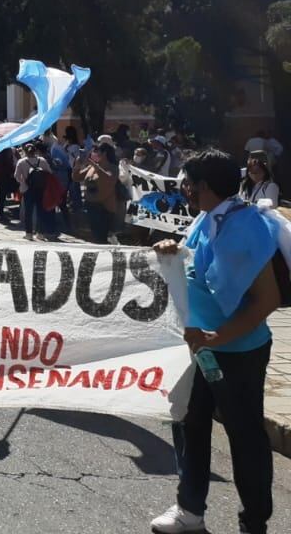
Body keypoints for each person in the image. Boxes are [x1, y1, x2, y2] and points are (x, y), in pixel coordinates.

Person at [150, 149, 281, 534]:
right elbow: (194, 260)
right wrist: (171, 251)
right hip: (199, 348)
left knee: (245, 437)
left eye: (188, 183)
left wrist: (218, 336)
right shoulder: (208, 217)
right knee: (190, 425)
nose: (184, 189)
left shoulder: (247, 227)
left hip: (237, 352)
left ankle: (253, 522)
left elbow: (267, 299)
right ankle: (190, 511)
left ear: (204, 186)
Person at [74, 143, 119, 245]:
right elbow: (76, 177)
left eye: (96, 151)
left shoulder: (113, 168)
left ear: (104, 153)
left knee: (101, 238)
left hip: (104, 208)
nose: (93, 153)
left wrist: (95, 165)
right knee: (94, 236)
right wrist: (77, 165)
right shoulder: (92, 166)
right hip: (91, 206)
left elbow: (108, 178)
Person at [14, 143, 51, 241]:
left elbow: (17, 177)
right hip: (40, 189)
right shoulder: (42, 161)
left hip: (27, 190)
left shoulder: (21, 162)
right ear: (35, 151)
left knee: (28, 212)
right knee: (40, 211)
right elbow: (49, 173)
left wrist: (23, 182)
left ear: (25, 151)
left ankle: (29, 233)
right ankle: (40, 233)